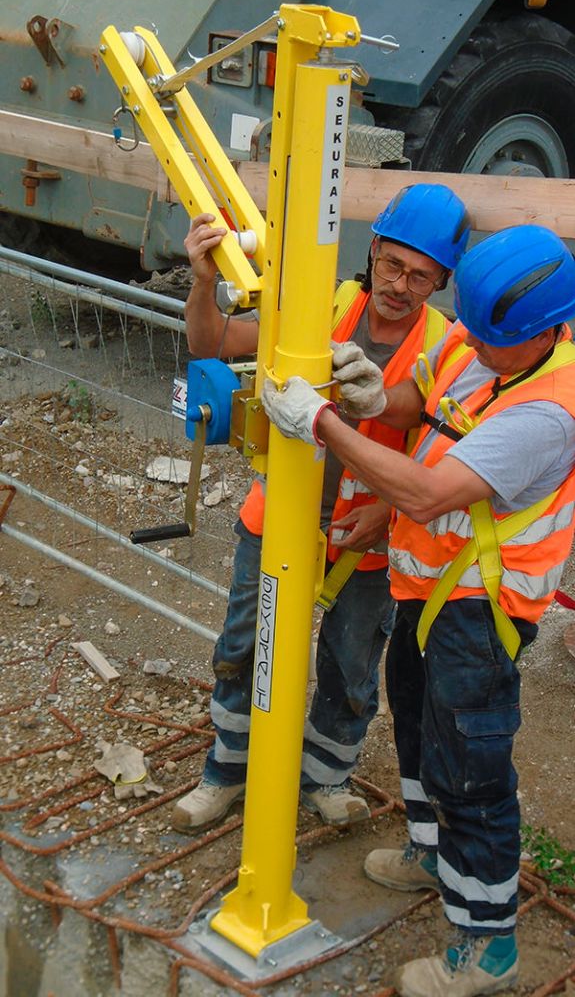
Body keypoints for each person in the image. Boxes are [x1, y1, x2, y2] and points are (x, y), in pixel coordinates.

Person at [262, 223, 575, 997]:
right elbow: (421, 401)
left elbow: (426, 490)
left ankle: (485, 947)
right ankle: (427, 853)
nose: (464, 335)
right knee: (415, 726)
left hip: (480, 613)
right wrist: (378, 394)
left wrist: (324, 423)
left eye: (486, 332)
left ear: (542, 332)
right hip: (426, 592)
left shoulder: (548, 414)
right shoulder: (483, 345)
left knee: (471, 772)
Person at [173, 184, 470, 833]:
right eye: (392, 264)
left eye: (421, 276)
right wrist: (201, 281)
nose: (400, 284)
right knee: (243, 645)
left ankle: (324, 778)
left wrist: (391, 519)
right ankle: (226, 769)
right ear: (374, 250)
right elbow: (211, 340)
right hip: (278, 511)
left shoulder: (444, 346)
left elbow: (438, 443)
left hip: (366, 537)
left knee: (349, 668)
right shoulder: (325, 301)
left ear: (441, 281)